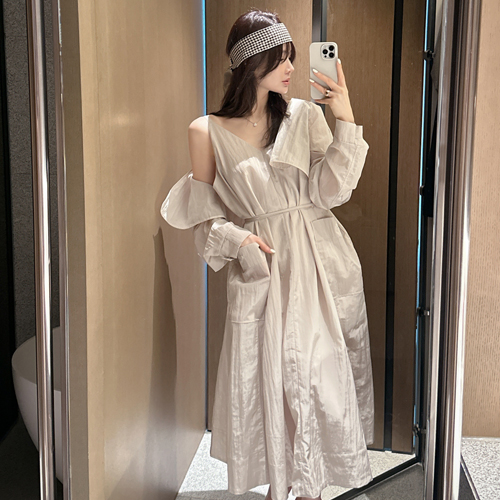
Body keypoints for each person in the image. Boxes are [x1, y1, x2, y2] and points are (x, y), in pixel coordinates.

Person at [161, 9, 374, 500]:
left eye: (292, 58)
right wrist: (238, 241)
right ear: (249, 62)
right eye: (280, 58)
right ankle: (289, 484)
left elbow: (331, 191)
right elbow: (204, 219)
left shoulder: (303, 115)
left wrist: (343, 116)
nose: (291, 68)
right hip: (267, 267)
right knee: (276, 380)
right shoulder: (206, 131)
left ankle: (313, 488)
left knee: (320, 378)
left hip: (319, 260)